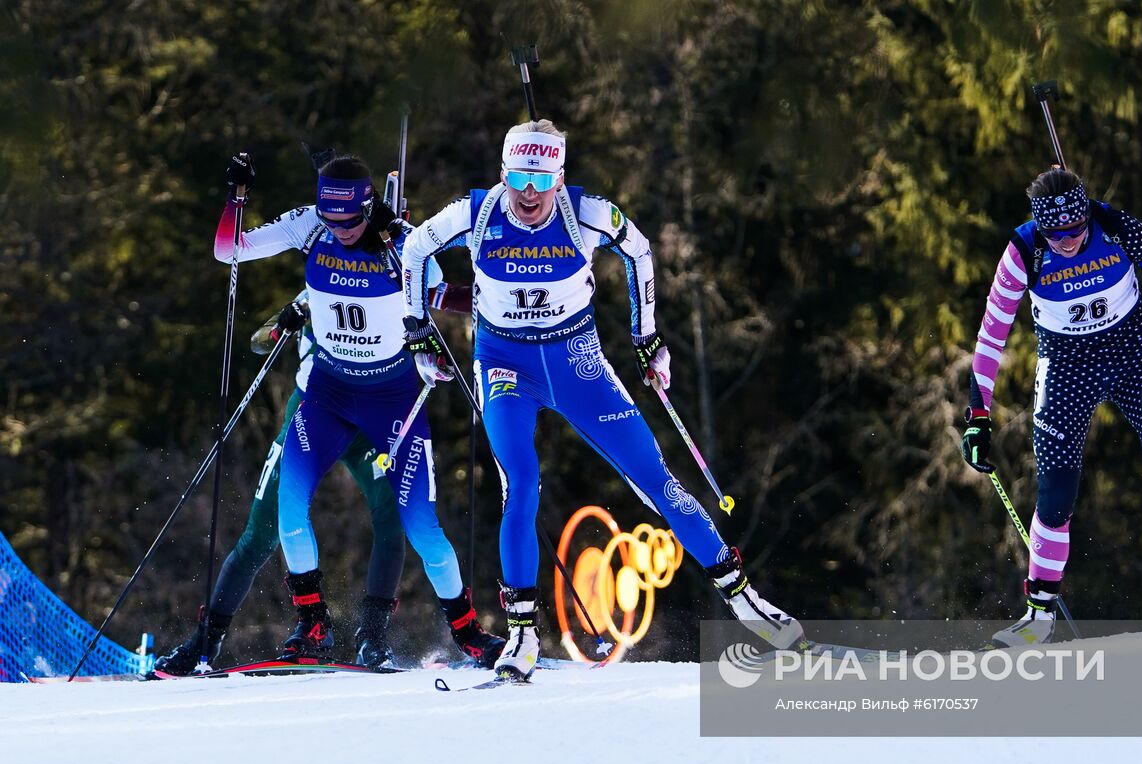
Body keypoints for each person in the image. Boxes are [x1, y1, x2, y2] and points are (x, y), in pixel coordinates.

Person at [399, 120, 803, 680]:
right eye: (518, 176)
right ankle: (521, 636)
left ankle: (743, 599)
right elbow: (416, 248)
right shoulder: (476, 213)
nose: (530, 192)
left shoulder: (584, 213)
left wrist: (647, 337)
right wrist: (416, 330)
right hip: (505, 365)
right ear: (502, 173)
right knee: (520, 482)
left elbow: (640, 254)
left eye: (542, 179)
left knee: (656, 478)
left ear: (560, 178)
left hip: (576, 363)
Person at [211, 151, 504, 665]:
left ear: (369, 208)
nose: (339, 231)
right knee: (288, 512)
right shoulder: (310, 227)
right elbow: (227, 250)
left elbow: (445, 297)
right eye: (331, 221)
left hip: (392, 401)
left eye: (349, 222)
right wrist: (237, 199)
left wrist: (500, 292)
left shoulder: (402, 245)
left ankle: (468, 634)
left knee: (420, 527)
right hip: (327, 395)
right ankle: (312, 624)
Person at [961, 168, 1142, 647]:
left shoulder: (1120, 228)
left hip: (1131, 349)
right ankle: (1038, 614)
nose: (1069, 242)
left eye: (1077, 231)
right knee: (1056, 492)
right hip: (1067, 363)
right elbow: (992, 337)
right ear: (1041, 227)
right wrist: (978, 417)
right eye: (1058, 236)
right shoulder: (1022, 252)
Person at [154, 294, 410, 674]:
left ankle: (372, 638)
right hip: (312, 413)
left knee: (393, 519)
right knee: (261, 532)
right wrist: (285, 322)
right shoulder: (319, 282)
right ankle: (205, 642)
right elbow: (259, 342)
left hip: (372, 419)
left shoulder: (391, 280)